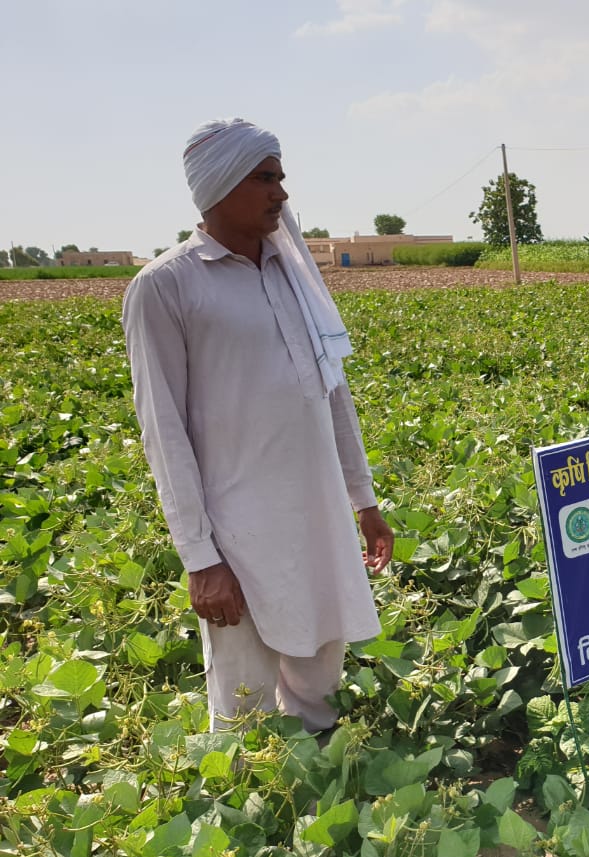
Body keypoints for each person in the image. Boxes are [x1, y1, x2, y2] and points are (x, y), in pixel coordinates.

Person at [122, 118, 394, 733]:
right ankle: (253, 787)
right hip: (236, 533)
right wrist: (201, 558)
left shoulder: (296, 277)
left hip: (318, 514)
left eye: (281, 177)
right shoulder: (164, 287)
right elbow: (164, 433)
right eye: (265, 178)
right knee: (243, 702)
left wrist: (364, 501)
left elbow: (333, 394)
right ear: (219, 184)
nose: (281, 193)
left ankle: (321, 777)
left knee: (321, 682)